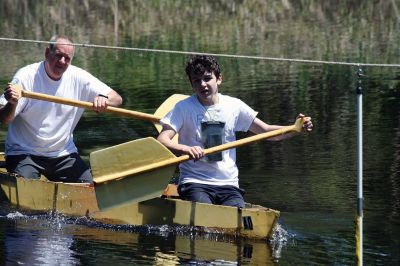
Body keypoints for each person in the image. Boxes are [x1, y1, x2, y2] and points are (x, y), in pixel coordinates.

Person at [157, 55, 313, 208]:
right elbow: (162, 140)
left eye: (207, 78)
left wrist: (295, 129)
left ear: (219, 79)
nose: (202, 84)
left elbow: (267, 132)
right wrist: (187, 149)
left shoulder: (234, 106)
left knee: (238, 219)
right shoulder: (182, 108)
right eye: (196, 81)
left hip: (228, 184)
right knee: (208, 215)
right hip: (195, 182)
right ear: (192, 84)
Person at [0, 35, 123, 183]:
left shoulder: (78, 76)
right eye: (58, 56)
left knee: (91, 187)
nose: (62, 62)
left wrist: (104, 99)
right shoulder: (26, 77)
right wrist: (12, 103)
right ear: (47, 53)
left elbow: (117, 98)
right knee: (30, 195)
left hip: (62, 154)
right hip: (24, 152)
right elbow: (4, 119)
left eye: (67, 58)